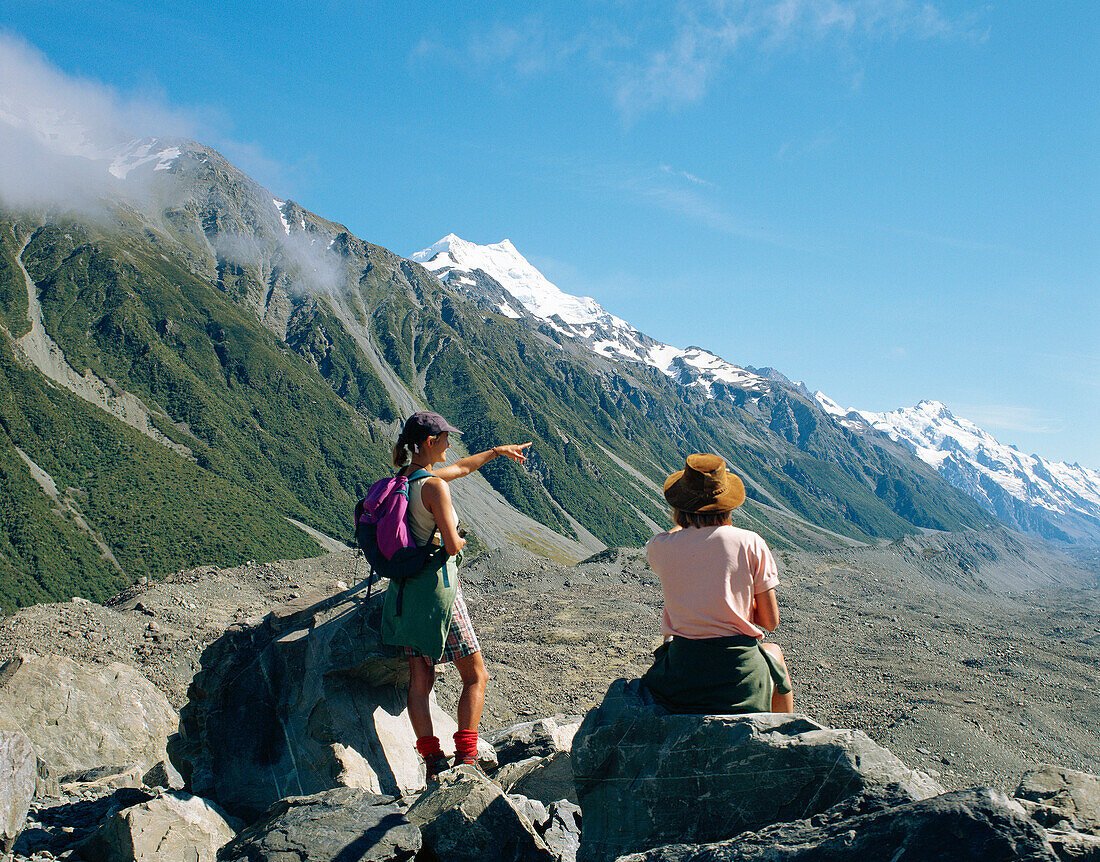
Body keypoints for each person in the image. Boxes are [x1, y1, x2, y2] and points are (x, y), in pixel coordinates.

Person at [382, 410, 531, 780]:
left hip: (404, 593)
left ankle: (432, 762)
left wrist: (496, 451)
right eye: (446, 438)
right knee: (476, 675)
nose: (451, 444)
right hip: (438, 593)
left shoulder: (405, 478)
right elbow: (450, 546)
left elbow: (463, 468)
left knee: (420, 681)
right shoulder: (434, 487)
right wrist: (461, 538)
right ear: (431, 443)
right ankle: (466, 760)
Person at [642, 453, 794, 715]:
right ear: (727, 503)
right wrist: (735, 607)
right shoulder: (751, 542)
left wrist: (687, 523)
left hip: (680, 676)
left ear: (679, 504)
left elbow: (682, 542)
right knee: (774, 654)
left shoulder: (660, 547)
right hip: (738, 675)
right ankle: (784, 737)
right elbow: (770, 622)